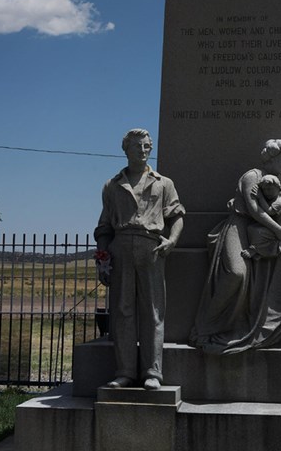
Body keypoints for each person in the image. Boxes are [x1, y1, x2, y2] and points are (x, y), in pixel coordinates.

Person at [190, 139, 281, 355]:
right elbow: (253, 210)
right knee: (236, 273)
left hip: (258, 232)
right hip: (238, 225)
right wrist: (278, 230)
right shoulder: (253, 176)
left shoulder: (275, 185)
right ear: (272, 157)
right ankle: (205, 326)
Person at [94, 129, 185, 389]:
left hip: (151, 247)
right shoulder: (112, 186)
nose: (142, 151)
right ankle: (124, 372)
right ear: (126, 149)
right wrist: (102, 260)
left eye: (146, 146)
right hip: (120, 247)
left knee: (153, 312)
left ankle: (152, 373)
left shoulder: (163, 183)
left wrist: (172, 240)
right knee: (122, 312)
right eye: (137, 147)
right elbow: (103, 227)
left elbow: (177, 216)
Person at [241, 174, 281, 260]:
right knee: (252, 228)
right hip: (273, 227)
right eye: (264, 190)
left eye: (270, 189)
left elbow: (269, 211)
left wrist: (260, 197)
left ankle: (255, 249)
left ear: (278, 188)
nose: (267, 192)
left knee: (258, 231)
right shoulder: (272, 199)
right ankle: (261, 251)